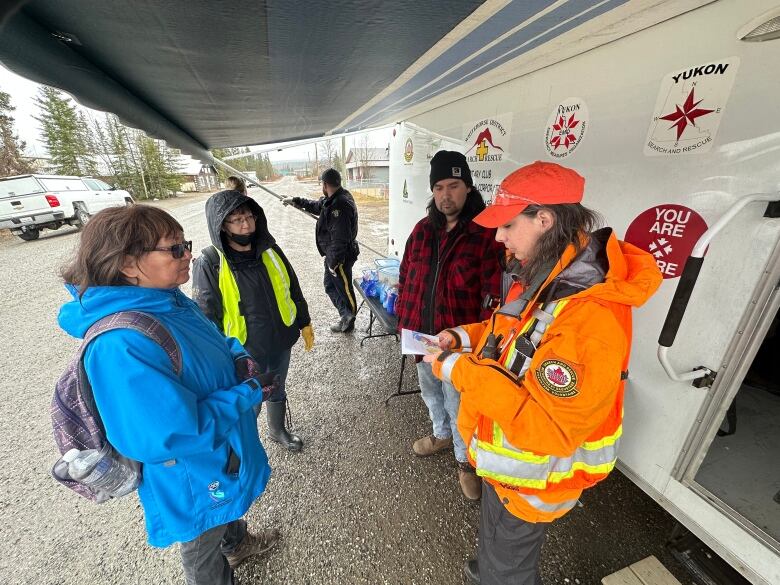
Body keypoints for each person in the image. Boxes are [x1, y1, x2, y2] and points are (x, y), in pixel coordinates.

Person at [423, 161, 662, 585]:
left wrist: (458, 370)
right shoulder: (547, 274)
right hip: (505, 466)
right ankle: (490, 565)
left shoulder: (590, 316)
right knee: (497, 540)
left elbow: (546, 425)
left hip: (532, 479)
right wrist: (461, 337)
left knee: (510, 566)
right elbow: (512, 337)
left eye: (508, 225)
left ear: (545, 219)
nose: (499, 237)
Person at [58, 205, 278, 585]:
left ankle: (237, 544)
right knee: (201, 541)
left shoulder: (168, 300)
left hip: (220, 452)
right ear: (128, 265)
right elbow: (171, 435)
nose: (188, 254)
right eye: (174, 249)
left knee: (226, 508)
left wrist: (238, 356)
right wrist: (247, 393)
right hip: (192, 468)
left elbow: (214, 340)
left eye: (185, 245)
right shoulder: (121, 345)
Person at [395, 150, 503, 500]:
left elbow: (493, 295)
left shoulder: (485, 234)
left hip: (459, 344)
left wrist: (483, 345)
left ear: (468, 187)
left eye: (453, 186)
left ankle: (465, 462)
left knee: (460, 404)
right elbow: (406, 274)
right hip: (422, 338)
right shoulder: (423, 230)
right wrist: (404, 322)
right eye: (439, 187)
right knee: (430, 393)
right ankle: (441, 435)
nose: (445, 195)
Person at [192, 189, 313, 452]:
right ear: (222, 226)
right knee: (248, 400)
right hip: (244, 350)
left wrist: (304, 321)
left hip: (280, 339)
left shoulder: (271, 250)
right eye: (236, 219)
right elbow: (205, 318)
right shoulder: (210, 263)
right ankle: (243, 446)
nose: (245, 224)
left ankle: (277, 430)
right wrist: (218, 357)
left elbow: (292, 286)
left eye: (248, 216)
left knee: (277, 388)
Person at [287, 168, 359, 333]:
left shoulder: (339, 206)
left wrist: (333, 263)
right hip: (334, 255)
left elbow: (340, 239)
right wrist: (295, 200)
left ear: (325, 184)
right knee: (330, 285)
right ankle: (346, 316)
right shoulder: (332, 199)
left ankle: (349, 318)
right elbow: (316, 205)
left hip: (340, 257)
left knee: (344, 288)